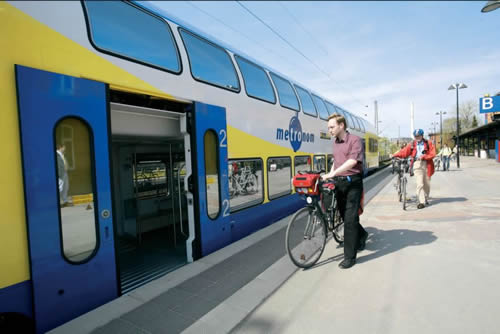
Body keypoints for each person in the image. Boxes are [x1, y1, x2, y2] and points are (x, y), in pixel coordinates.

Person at [321, 114, 367, 269]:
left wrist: (334, 173)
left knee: (349, 219)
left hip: (353, 183)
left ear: (341, 125)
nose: (329, 130)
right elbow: (337, 161)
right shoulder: (335, 143)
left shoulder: (355, 140)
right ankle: (362, 235)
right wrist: (330, 173)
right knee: (347, 217)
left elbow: (353, 161)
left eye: (332, 127)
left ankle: (350, 257)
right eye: (328, 128)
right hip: (339, 184)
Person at [390, 129, 436, 209]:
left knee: (427, 184)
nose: (417, 137)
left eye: (418, 136)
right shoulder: (412, 144)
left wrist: (424, 156)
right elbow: (404, 152)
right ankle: (421, 202)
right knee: (420, 183)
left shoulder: (428, 143)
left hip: (427, 164)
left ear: (422, 135)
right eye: (416, 136)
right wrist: (395, 155)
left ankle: (425, 197)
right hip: (417, 164)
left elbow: (433, 153)